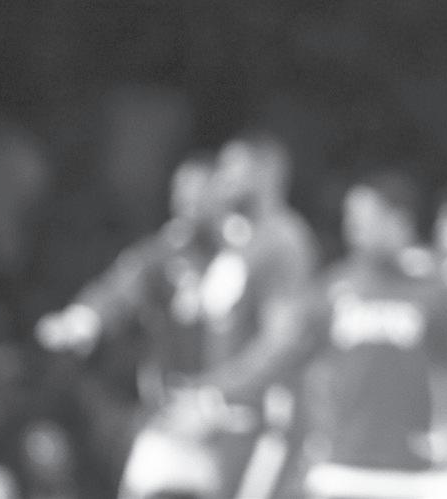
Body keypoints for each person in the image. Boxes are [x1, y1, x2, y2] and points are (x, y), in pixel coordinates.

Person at [268, 170, 447, 499]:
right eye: (350, 218)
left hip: (415, 471)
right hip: (343, 467)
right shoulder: (333, 288)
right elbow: (283, 356)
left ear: (398, 220)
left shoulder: (432, 292)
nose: (354, 227)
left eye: (365, 217)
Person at [35, 151, 218, 499]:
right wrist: (84, 319)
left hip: (232, 423)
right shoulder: (162, 254)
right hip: (174, 418)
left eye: (199, 193)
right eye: (181, 193)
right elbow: (120, 289)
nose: (187, 203)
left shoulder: (250, 252)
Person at [159, 129, 319, 499]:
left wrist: (213, 388)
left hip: (268, 420)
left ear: (265, 173)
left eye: (234, 167)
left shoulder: (283, 240)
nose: (223, 176)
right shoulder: (238, 239)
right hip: (230, 417)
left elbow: (283, 341)